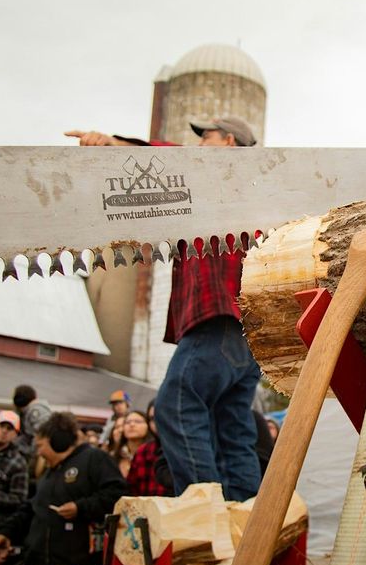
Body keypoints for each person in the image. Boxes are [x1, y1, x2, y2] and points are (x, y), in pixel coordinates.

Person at [69, 116, 264, 503]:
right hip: (250, 336)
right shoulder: (255, 189)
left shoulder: (212, 173)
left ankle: (204, 514)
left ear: (228, 141)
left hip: (218, 321)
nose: (198, 145)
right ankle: (245, 523)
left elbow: (161, 161)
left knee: (175, 405)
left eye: (205, 137)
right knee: (233, 429)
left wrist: (111, 144)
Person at [0, 412, 126, 565]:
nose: (39, 452)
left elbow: (117, 495)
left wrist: (80, 507)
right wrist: (6, 532)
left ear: (58, 442)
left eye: (40, 445)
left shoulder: (95, 459)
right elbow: (32, 507)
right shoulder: (50, 473)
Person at [0, 410, 28, 526]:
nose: (4, 431)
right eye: (1, 426)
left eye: (10, 428)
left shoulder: (18, 463)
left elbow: (19, 499)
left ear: (15, 435)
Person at [124, 406, 172, 497]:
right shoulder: (142, 452)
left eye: (137, 421)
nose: (132, 425)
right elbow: (131, 489)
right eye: (152, 419)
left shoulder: (186, 449)